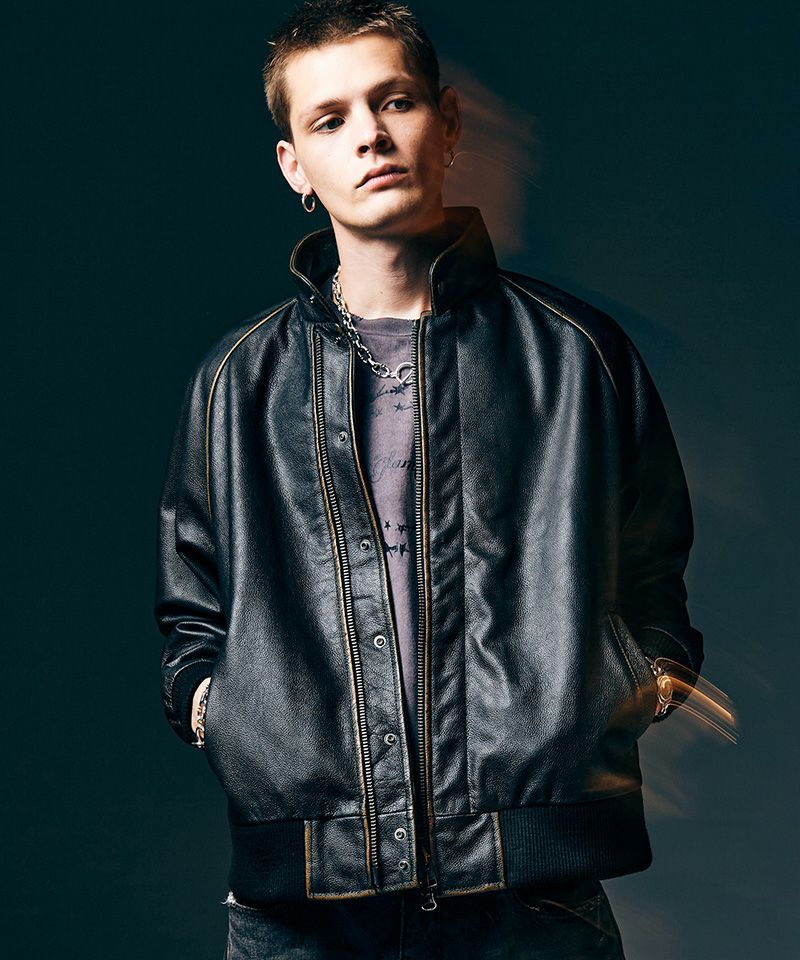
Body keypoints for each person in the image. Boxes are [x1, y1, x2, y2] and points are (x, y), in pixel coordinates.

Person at [154, 1, 704, 957]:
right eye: (330, 119)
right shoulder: (237, 381)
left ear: (446, 124)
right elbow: (192, 605)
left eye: (394, 101)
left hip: (531, 891)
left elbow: (652, 568)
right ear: (295, 165)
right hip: (302, 904)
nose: (369, 135)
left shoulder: (576, 356)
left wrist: (635, 681)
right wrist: (219, 708)